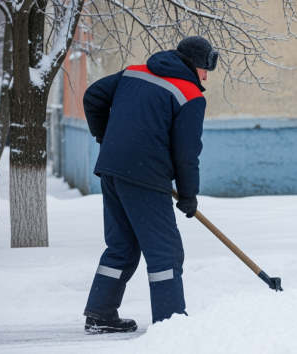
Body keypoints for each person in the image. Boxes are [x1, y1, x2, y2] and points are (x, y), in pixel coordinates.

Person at [80, 36, 218, 333]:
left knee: (122, 246)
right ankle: (171, 324)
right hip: (145, 175)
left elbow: (93, 96)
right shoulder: (190, 94)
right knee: (165, 251)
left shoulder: (134, 71)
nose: (207, 76)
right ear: (196, 64)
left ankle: (100, 313)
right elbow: (186, 152)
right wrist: (189, 194)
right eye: (207, 68)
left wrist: (107, 139)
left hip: (112, 169)